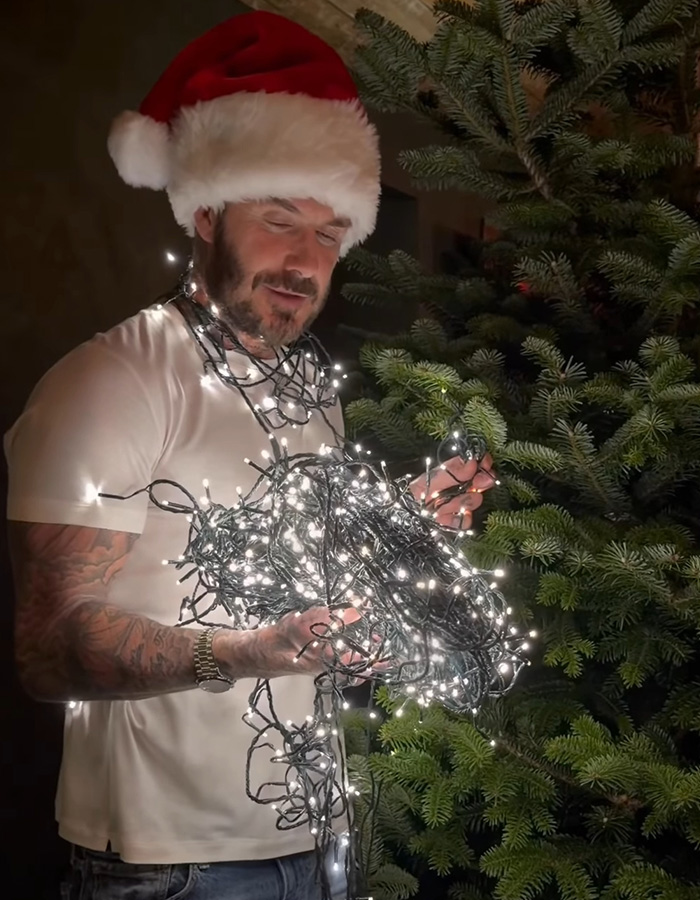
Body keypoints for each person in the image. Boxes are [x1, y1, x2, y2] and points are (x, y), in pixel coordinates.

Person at [5, 11, 494, 900]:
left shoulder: (310, 386)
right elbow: (47, 650)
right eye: (279, 221)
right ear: (202, 212)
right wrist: (243, 654)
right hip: (170, 867)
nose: (304, 261)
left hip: (317, 839)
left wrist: (400, 522)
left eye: (328, 235)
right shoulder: (115, 379)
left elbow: (291, 558)